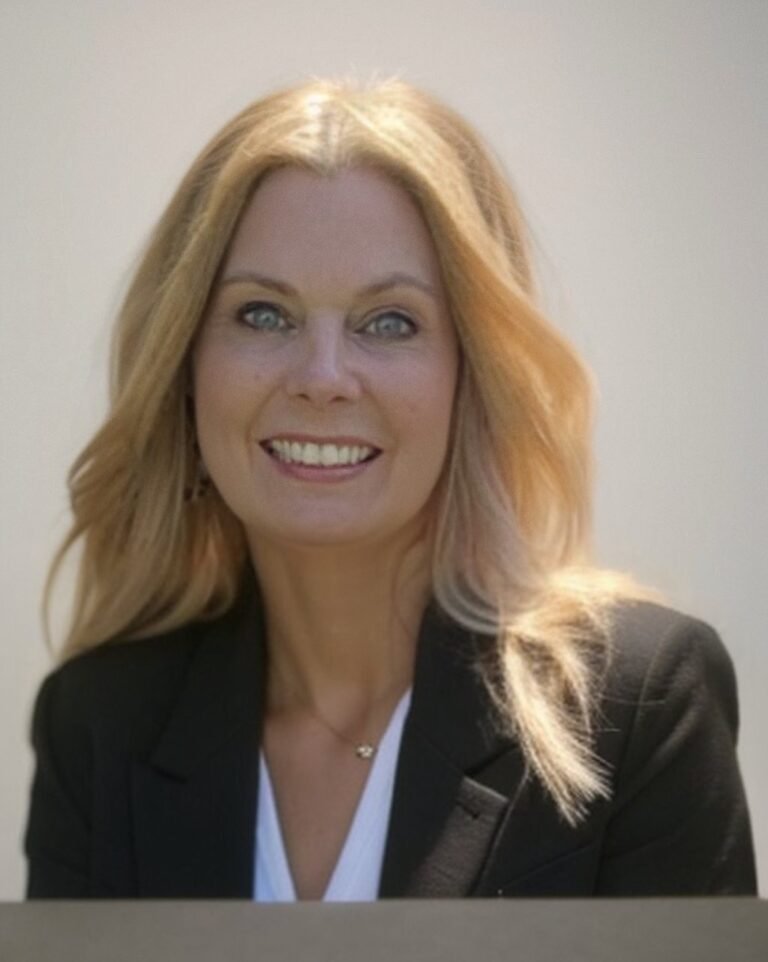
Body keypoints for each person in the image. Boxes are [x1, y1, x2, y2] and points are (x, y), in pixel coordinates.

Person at [24, 76, 757, 899]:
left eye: (390, 322)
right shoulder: (98, 726)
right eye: (263, 314)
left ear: (472, 374)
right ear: (185, 369)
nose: (323, 378)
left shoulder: (636, 708)